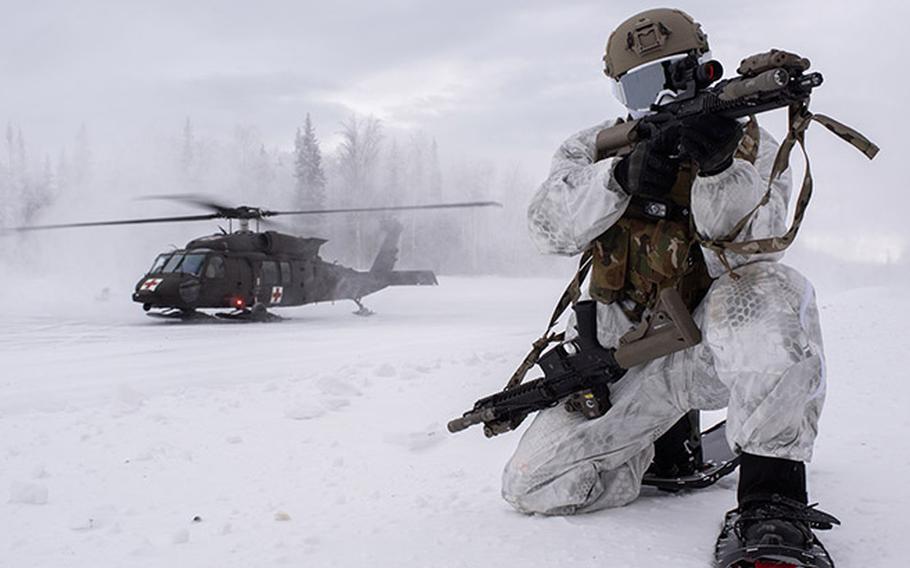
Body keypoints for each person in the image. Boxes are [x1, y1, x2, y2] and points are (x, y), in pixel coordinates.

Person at [502, 8, 838, 566]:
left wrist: (718, 166)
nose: (656, 96)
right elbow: (547, 228)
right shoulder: (595, 147)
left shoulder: (749, 142)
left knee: (773, 291)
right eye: (638, 84)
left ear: (703, 71)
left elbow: (762, 239)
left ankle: (772, 503)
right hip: (627, 358)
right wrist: (617, 179)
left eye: (671, 75)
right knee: (532, 485)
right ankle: (658, 449)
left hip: (710, 350)